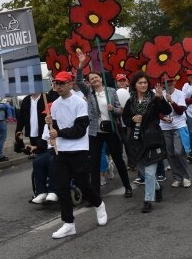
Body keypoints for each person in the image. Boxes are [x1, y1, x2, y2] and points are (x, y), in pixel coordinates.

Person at [47, 71, 107, 238]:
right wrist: (50, 126)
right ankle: (68, 223)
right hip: (61, 151)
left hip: (78, 149)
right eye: (55, 83)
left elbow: (80, 130)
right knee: (61, 187)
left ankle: (99, 204)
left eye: (61, 83)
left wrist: (58, 132)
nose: (57, 86)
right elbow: (54, 130)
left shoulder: (80, 103)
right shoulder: (55, 104)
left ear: (70, 84)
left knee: (83, 184)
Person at [74, 54, 132, 198]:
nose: (94, 80)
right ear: (90, 82)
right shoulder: (89, 92)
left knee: (118, 159)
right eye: (91, 79)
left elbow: (120, 110)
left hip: (111, 130)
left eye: (96, 77)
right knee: (94, 163)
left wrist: (114, 109)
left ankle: (127, 186)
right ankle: (95, 194)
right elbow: (78, 80)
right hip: (95, 132)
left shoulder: (111, 91)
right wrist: (81, 65)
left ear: (101, 78)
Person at [123, 72, 170, 213]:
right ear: (134, 85)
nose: (143, 85)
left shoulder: (154, 98)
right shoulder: (130, 101)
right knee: (142, 170)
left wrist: (161, 99)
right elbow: (125, 120)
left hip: (152, 139)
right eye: (140, 83)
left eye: (145, 83)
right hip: (136, 140)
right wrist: (132, 119)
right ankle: (157, 188)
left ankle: (148, 200)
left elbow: (168, 110)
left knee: (149, 172)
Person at [159, 77, 192, 189]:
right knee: (170, 154)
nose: (169, 84)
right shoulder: (160, 94)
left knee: (179, 152)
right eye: (166, 82)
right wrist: (163, 118)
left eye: (171, 81)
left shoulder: (180, 94)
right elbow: (158, 112)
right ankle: (177, 177)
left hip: (178, 126)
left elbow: (180, 111)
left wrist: (172, 101)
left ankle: (186, 177)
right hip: (165, 127)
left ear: (175, 82)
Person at [27, 104, 58, 204]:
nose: (46, 117)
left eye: (49, 114)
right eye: (46, 115)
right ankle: (41, 192)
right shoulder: (46, 126)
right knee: (38, 161)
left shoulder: (61, 122)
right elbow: (44, 141)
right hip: (49, 150)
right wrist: (35, 147)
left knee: (52, 160)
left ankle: (53, 191)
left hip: (61, 150)